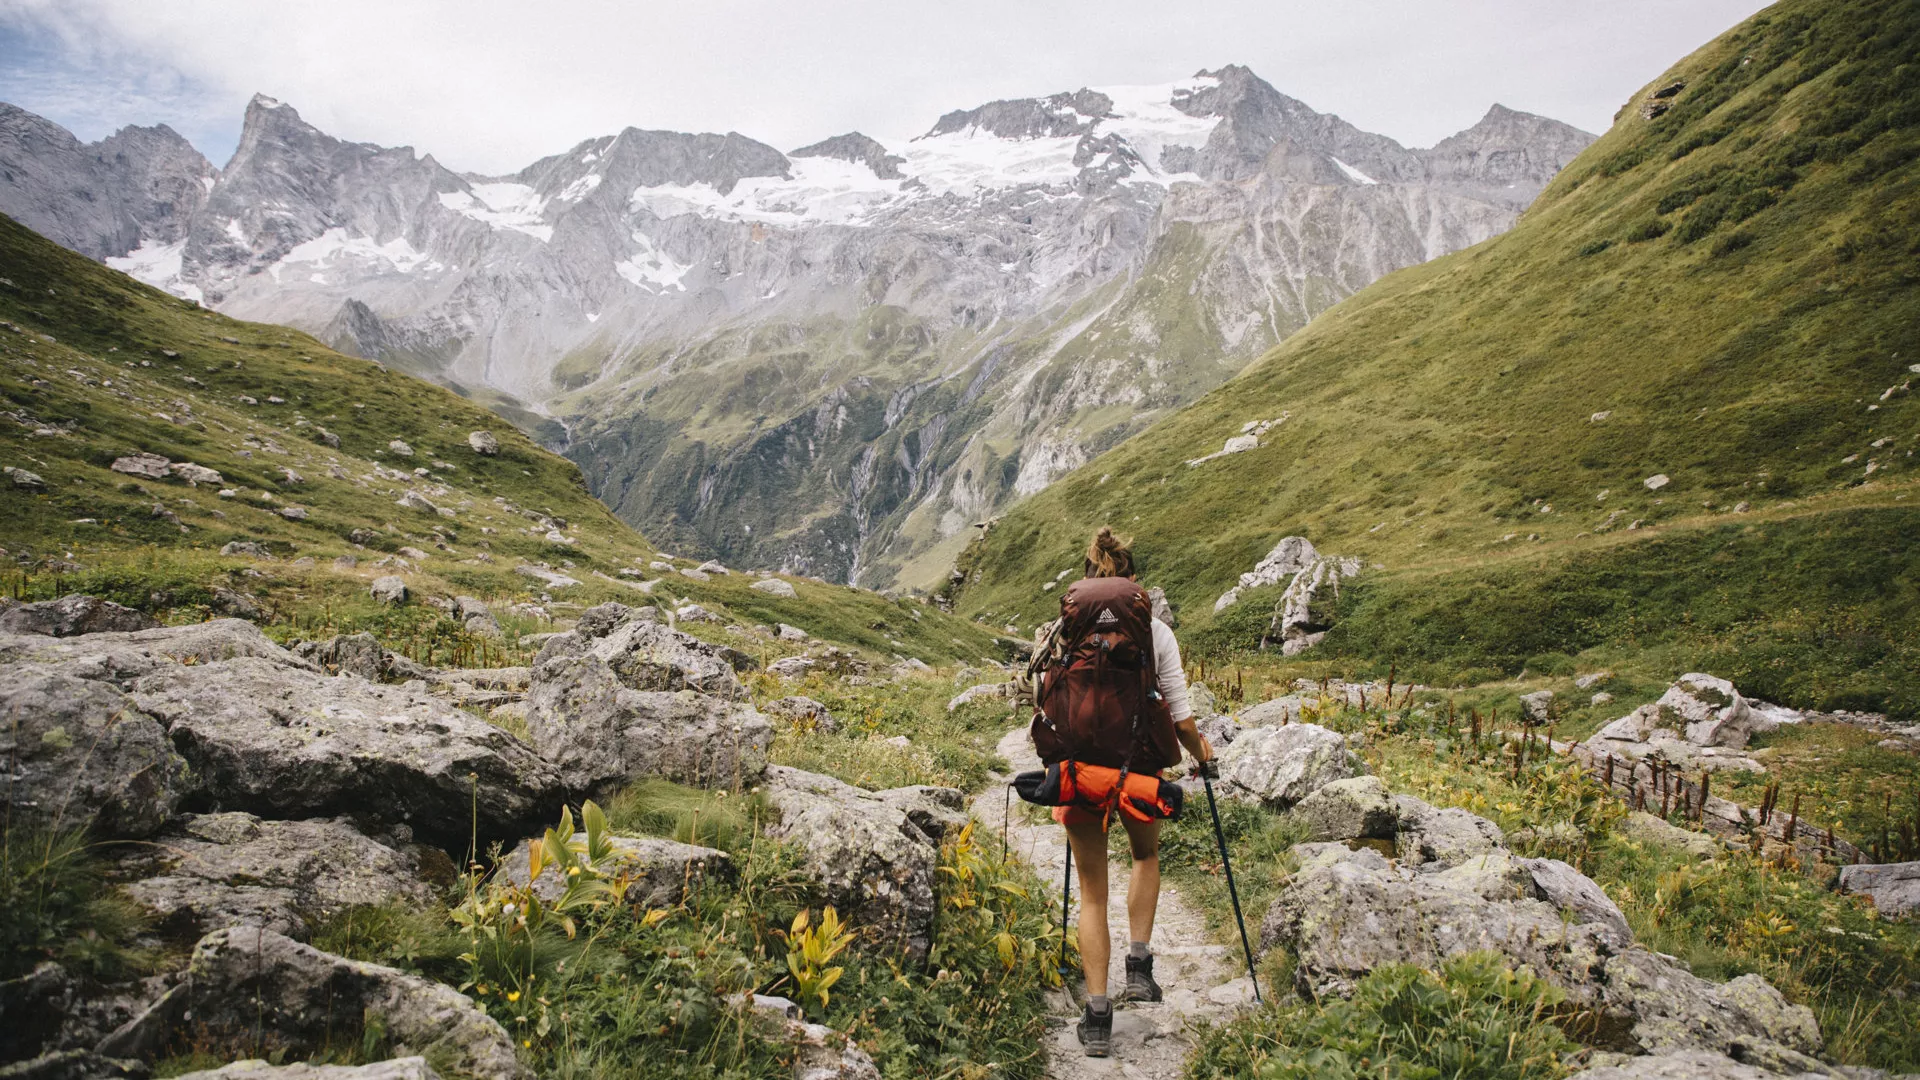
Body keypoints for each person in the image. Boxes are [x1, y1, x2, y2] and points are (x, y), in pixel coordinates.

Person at [1024, 526, 1214, 1058]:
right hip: (1141, 769)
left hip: (1080, 771)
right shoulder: (1154, 631)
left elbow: (1042, 697)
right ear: (1132, 581)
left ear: (1086, 581)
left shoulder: (1065, 628)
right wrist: (1204, 756)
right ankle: (1138, 964)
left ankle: (1098, 1016)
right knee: (1145, 854)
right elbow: (1179, 714)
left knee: (1091, 893)